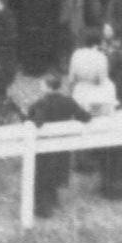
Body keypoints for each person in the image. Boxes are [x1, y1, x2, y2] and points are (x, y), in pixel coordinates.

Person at [26, 65, 87, 217]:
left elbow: (37, 123)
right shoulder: (68, 101)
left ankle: (44, 208)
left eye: (42, 83)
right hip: (63, 150)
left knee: (42, 176)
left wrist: (29, 115)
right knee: (54, 173)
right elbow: (85, 117)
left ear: (47, 86)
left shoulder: (42, 104)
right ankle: (53, 200)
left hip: (45, 150)